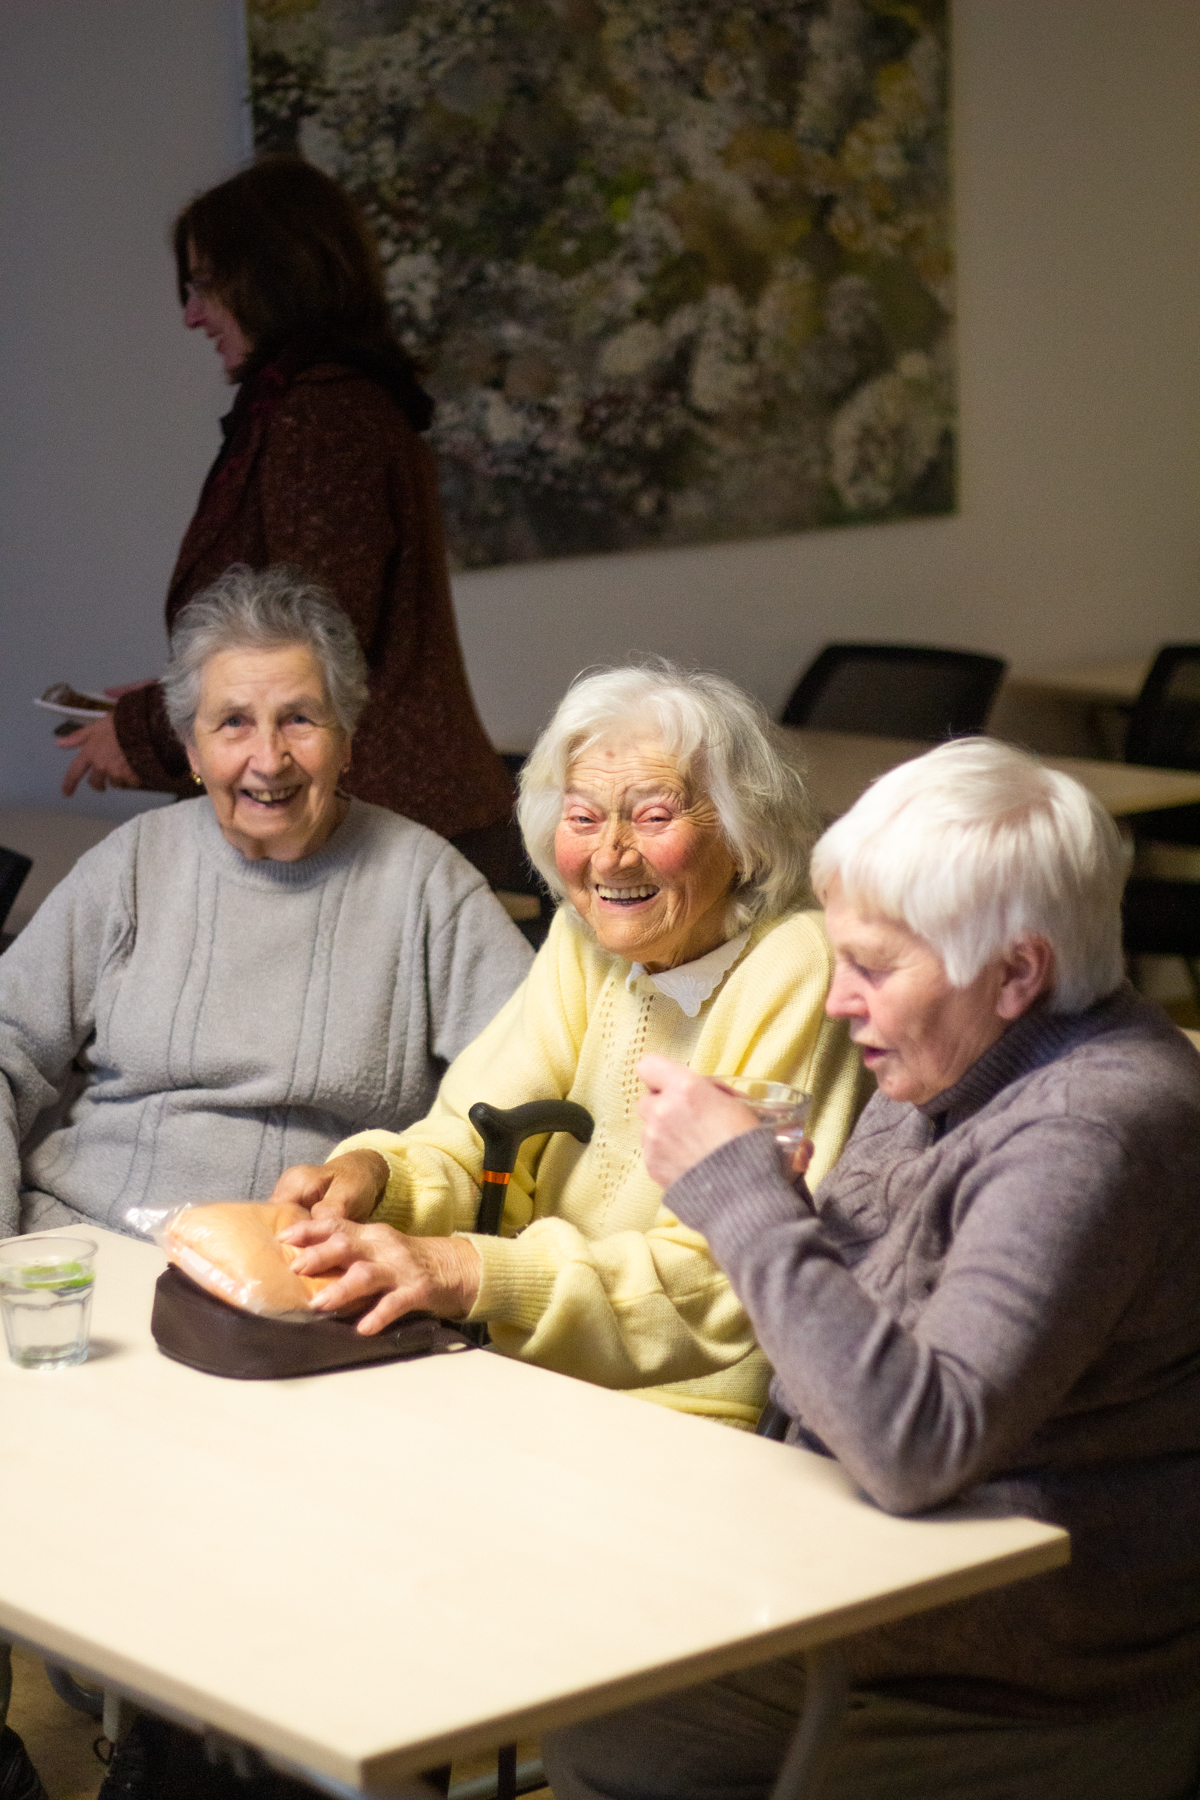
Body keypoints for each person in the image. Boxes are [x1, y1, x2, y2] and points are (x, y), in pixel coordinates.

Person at [541, 737, 1200, 1800]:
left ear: (1018, 971)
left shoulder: (1089, 1129)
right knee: (603, 1728)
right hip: (860, 1591)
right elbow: (845, 1361)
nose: (838, 1003)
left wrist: (745, 1201)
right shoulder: (949, 1057)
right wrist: (782, 1214)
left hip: (1018, 1674)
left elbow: (911, 1444)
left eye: (874, 968)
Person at [272, 663, 871, 1426]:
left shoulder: (798, 964)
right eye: (583, 818)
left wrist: (466, 1270)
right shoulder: (586, 940)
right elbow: (478, 1137)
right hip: (528, 1374)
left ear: (745, 837)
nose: (612, 856)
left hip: (697, 1407)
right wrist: (378, 1177)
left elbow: (724, 1279)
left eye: (654, 817)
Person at [0, 564, 531, 1242]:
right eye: (233, 723)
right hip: (93, 1235)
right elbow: (8, 1045)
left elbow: (527, 1084)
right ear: (193, 751)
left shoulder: (427, 885)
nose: (269, 758)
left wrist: (396, 1187)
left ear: (346, 739)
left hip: (306, 1262)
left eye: (299, 719)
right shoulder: (132, 863)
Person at [56, 156, 517, 885]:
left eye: (205, 284)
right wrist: (179, 698)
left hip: (381, 839)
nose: (191, 315)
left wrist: (148, 729)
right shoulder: (324, 404)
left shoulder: (322, 416)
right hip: (373, 828)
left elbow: (312, 644)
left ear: (270, 276)